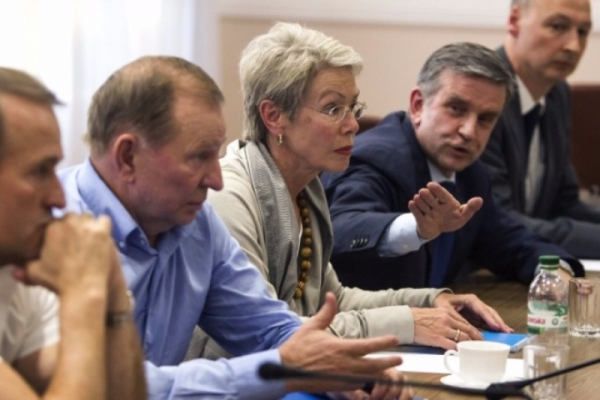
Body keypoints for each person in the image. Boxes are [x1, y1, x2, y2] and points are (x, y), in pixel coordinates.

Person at [59, 55, 411, 400]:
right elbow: (108, 385)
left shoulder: (197, 222)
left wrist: (337, 364)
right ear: (127, 156)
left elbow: (265, 326)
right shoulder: (51, 232)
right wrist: (283, 367)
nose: (216, 180)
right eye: (199, 157)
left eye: (215, 155)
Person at [202, 22, 511, 355]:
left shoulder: (305, 192)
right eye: (333, 109)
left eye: (353, 108)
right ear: (274, 116)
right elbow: (268, 333)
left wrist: (429, 301)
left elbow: (335, 299)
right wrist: (407, 321)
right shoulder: (229, 197)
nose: (352, 125)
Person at [322, 42, 584, 291]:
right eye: (456, 109)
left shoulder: (471, 174)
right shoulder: (376, 158)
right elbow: (342, 228)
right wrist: (417, 228)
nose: (469, 131)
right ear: (418, 105)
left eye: (485, 119)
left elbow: (510, 242)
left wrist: (556, 271)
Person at [0, 67, 146, 399]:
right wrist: (85, 292)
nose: (59, 198)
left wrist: (113, 287)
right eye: (40, 171)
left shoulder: (19, 270)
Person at [480, 0, 600, 259]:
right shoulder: (482, 94)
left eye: (582, 31)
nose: (573, 46)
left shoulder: (557, 93)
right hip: (478, 270)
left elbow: (565, 203)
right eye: (558, 26)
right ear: (514, 21)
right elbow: (498, 220)